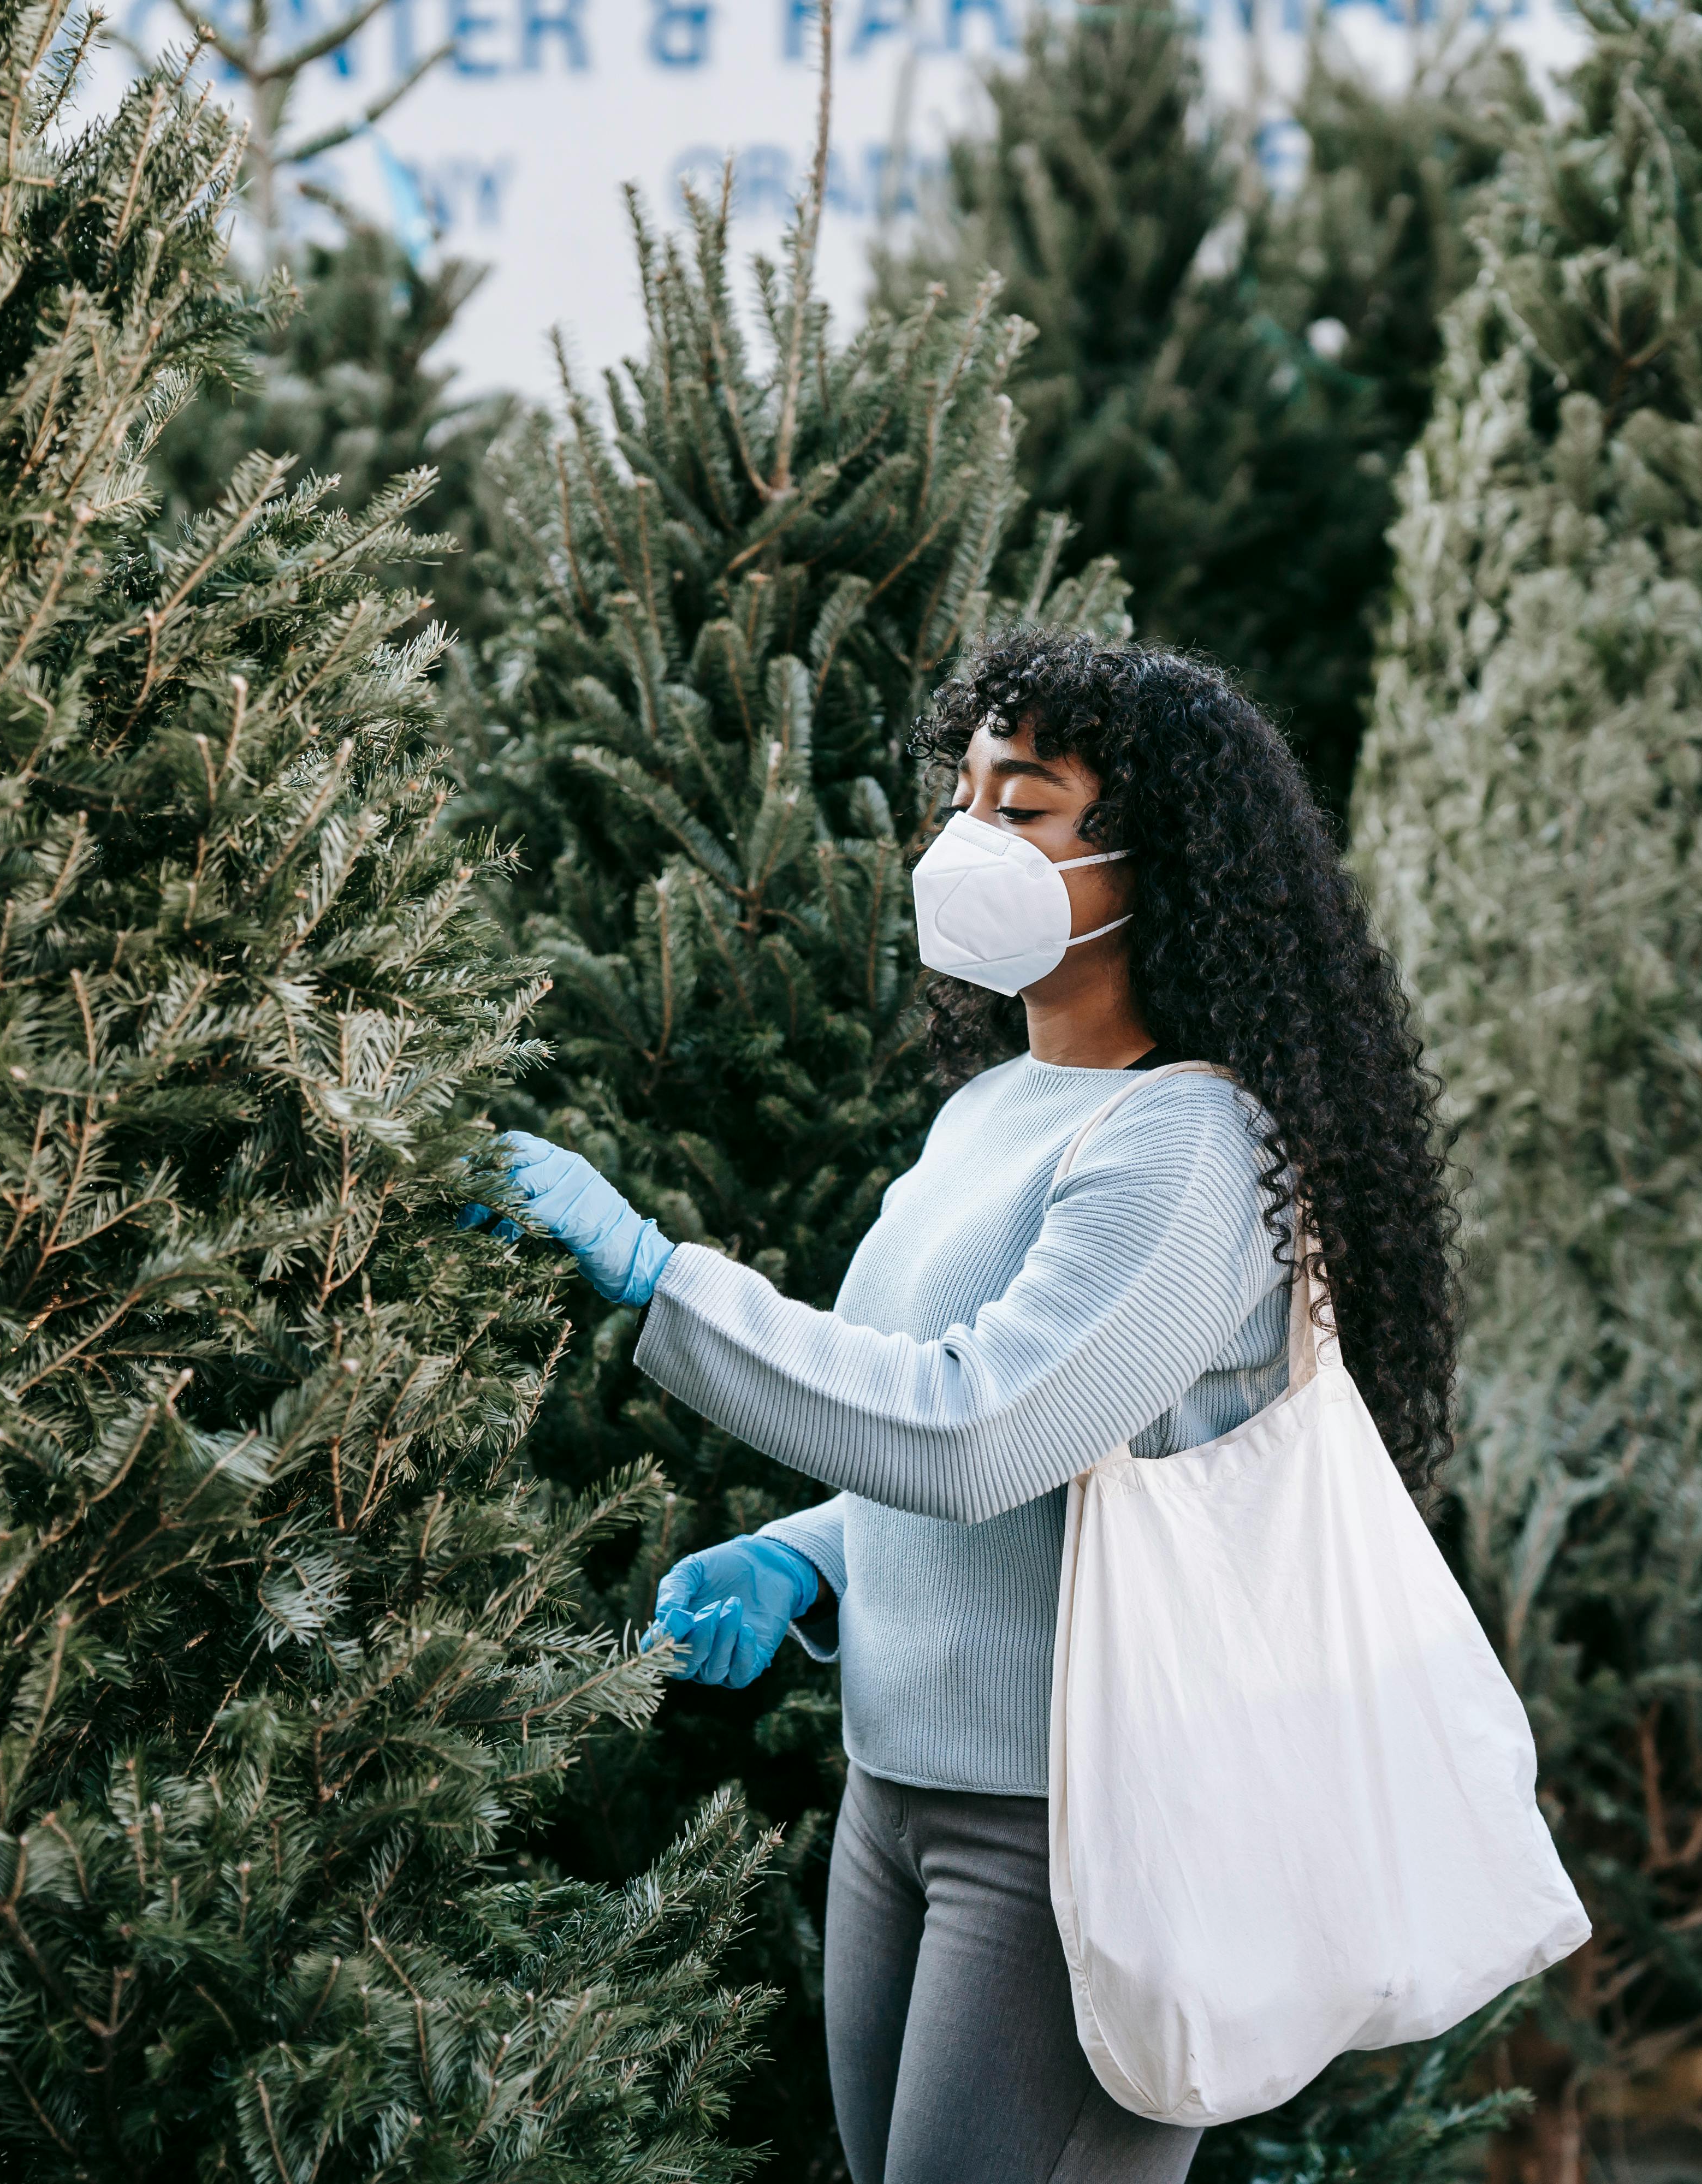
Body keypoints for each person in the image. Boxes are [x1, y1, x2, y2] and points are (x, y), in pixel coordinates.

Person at [479, 631, 1458, 2184]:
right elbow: (1040, 1444)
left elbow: (982, 1428)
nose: (964, 841)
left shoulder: (1192, 1150)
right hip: (903, 1790)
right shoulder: (997, 1108)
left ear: (1166, 861)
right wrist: (812, 1558)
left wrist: (657, 1274)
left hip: (1078, 1832)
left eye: (1026, 807)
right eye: (963, 797)